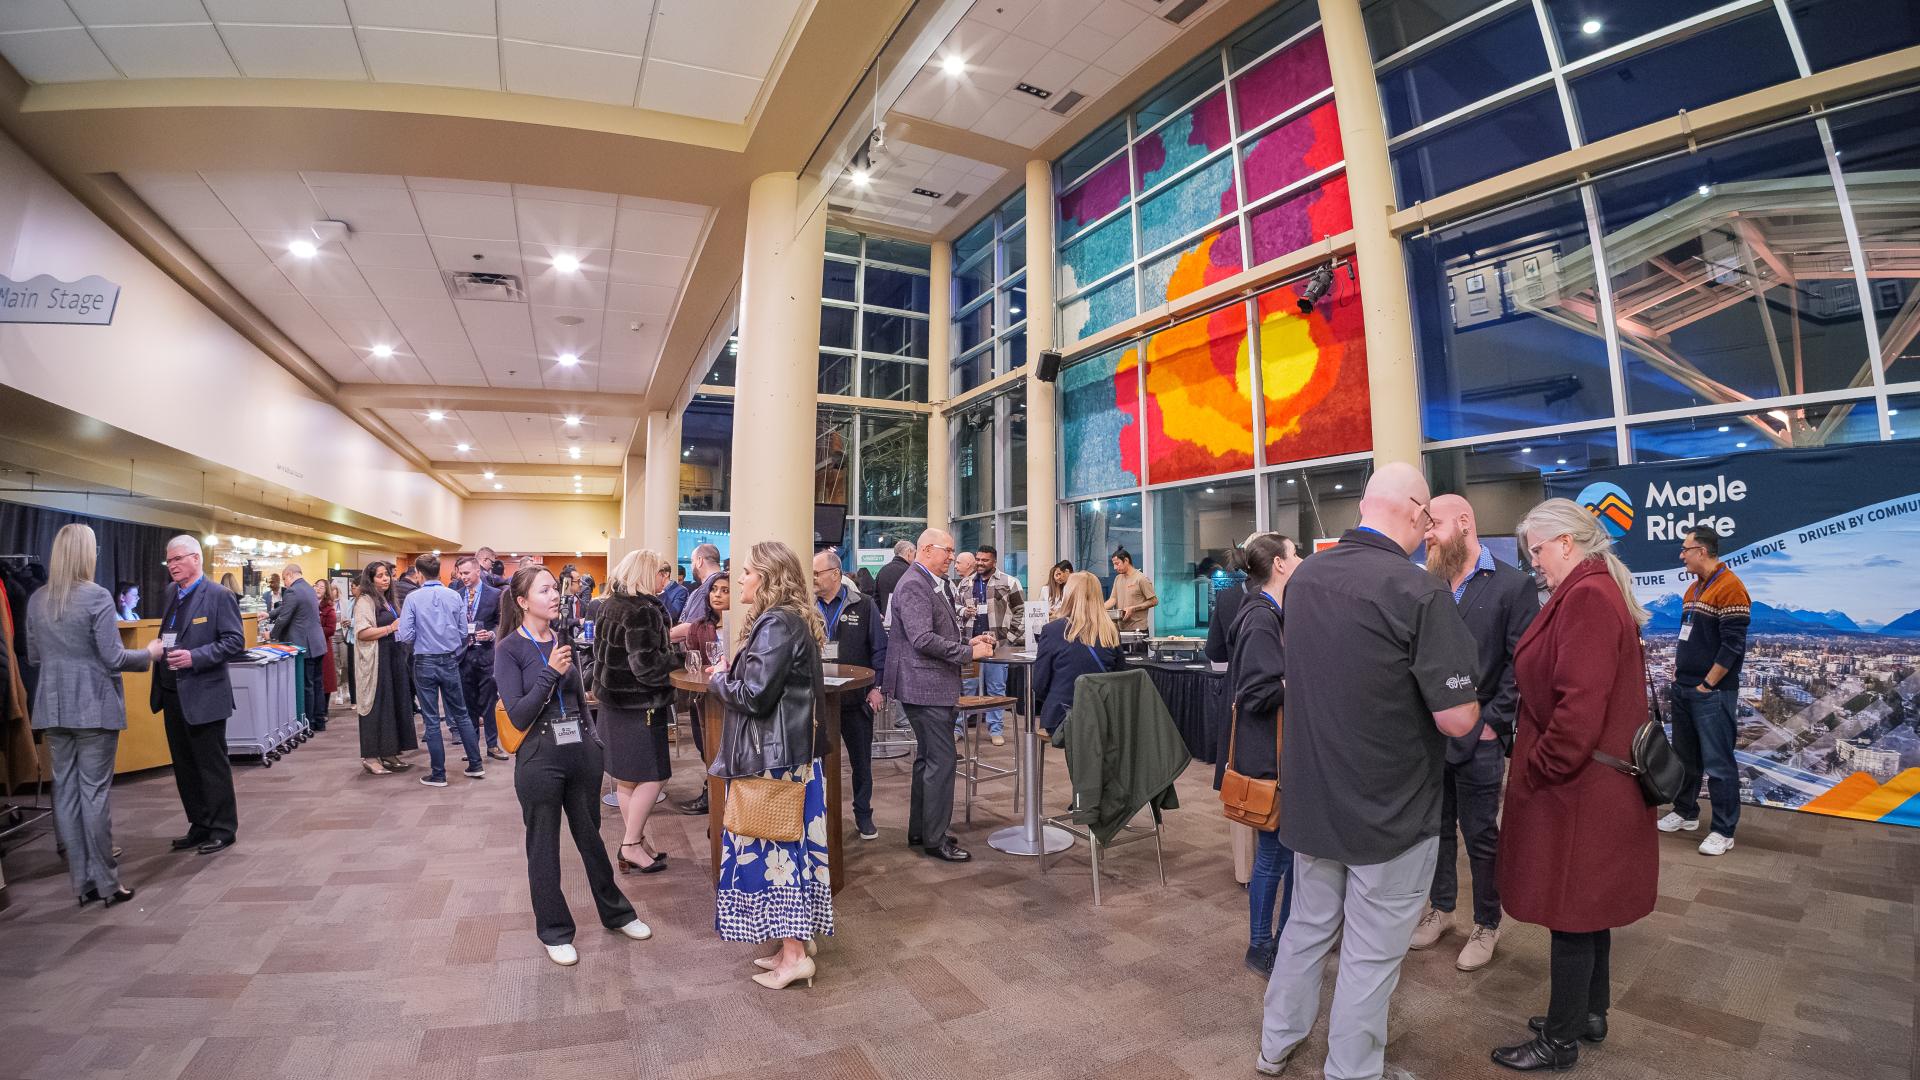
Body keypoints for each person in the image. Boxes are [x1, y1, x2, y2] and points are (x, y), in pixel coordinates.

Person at [1255, 463, 1482, 1079]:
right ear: (1415, 513)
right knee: (1371, 953)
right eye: (1429, 519)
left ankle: (1275, 1046)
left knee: (1305, 928)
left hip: (1314, 797)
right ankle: (1352, 1070)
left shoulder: (1303, 580)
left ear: (1364, 504)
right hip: (1390, 809)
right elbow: (1459, 719)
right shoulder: (1420, 592)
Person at [1491, 498, 1658, 1072]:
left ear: (1566, 542)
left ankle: (1559, 1041)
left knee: (1570, 910)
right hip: (1596, 785)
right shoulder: (1596, 588)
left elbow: (1577, 712)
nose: (1534, 563)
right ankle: (1588, 1013)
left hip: (1579, 787)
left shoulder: (1585, 596)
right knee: (1590, 907)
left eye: (1537, 550)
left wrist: (1538, 768)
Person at [494, 565, 652, 966]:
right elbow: (518, 714)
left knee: (592, 841)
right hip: (538, 757)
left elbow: (579, 699)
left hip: (580, 752)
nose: (555, 596)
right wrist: (551, 671)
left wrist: (595, 743)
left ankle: (617, 914)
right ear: (523, 601)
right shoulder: (509, 650)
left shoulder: (562, 637)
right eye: (545, 590)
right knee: (543, 847)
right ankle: (554, 930)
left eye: (555, 590)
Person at [1409, 494, 1540, 972]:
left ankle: (1487, 922)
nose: (1427, 533)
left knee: (1482, 835)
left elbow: (1519, 666)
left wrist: (1492, 725)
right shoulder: (1427, 584)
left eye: (1434, 524)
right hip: (1430, 738)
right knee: (1436, 831)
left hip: (1481, 737)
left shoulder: (1512, 585)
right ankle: (1441, 910)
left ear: (1465, 523)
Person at [707, 540, 833, 988]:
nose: (738, 579)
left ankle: (795, 956)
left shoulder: (777, 623)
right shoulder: (785, 620)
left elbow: (755, 697)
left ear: (765, 577)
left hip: (775, 763)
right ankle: (792, 943)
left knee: (778, 855)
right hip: (786, 757)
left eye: (744, 571)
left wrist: (720, 679)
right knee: (789, 851)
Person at [27, 524, 163, 906]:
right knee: (95, 795)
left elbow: (35, 656)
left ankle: (82, 883)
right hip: (94, 709)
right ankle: (107, 883)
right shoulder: (96, 597)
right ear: (87, 553)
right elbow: (114, 657)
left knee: (66, 796)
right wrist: (149, 655)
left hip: (52, 709)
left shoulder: (38, 600)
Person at [884, 528, 995, 863]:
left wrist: (967, 644)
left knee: (928, 761)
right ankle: (935, 840)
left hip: (925, 685)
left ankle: (923, 831)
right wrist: (968, 655)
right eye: (947, 551)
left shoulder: (923, 580)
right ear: (927, 549)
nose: (952, 557)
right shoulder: (916, 583)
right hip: (925, 687)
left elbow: (931, 634)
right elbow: (922, 639)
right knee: (942, 762)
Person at [1225, 533, 1305, 978]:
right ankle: (1261, 945)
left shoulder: (1268, 612)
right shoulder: (1260, 618)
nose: (1301, 559)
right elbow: (1256, 693)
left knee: (1284, 854)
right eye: (1295, 553)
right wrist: (1300, 683)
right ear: (1278, 564)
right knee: (1274, 856)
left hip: (1275, 755)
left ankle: (1284, 938)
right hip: (1270, 759)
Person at [150, 535, 247, 856]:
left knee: (210, 764)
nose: (172, 566)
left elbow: (235, 642)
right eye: (169, 561)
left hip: (204, 692)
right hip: (171, 691)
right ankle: (200, 823)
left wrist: (195, 656)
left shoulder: (218, 596)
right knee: (185, 765)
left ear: (196, 559)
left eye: (178, 559)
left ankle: (223, 827)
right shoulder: (170, 594)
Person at [1660, 524, 1749, 856]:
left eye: (1685, 549)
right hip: (1685, 688)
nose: (1681, 555)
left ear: (1702, 551)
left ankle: (1724, 830)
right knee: (1685, 759)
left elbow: (1732, 648)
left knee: (1719, 763)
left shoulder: (1731, 588)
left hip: (1711, 692)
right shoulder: (1693, 589)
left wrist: (1707, 684)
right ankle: (1685, 812)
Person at [593, 549, 678, 874]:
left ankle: (637, 840)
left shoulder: (609, 605)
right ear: (647, 574)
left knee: (628, 778)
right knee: (654, 775)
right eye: (661, 573)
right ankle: (630, 844)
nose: (664, 579)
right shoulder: (643, 610)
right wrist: (677, 660)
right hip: (639, 703)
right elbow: (645, 667)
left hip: (613, 705)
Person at [812, 549, 887, 840]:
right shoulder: (807, 606)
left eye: (817, 573)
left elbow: (880, 649)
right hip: (820, 701)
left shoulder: (864, 606)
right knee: (819, 763)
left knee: (861, 763)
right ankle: (821, 817)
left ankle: (863, 814)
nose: (813, 579)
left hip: (857, 700)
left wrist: (878, 688)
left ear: (835, 574)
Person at [394, 552, 485, 787]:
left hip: (424, 661)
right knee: (462, 714)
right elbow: (464, 631)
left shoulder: (413, 598)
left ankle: (438, 774)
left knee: (431, 719)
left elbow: (405, 634)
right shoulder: (454, 596)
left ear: (419, 574)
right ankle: (475, 765)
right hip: (449, 660)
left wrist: (420, 638)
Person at [1029, 570, 1122, 736]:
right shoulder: (1111, 631)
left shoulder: (1053, 630)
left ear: (1069, 595)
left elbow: (1039, 684)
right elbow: (1120, 677)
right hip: (1104, 717)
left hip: (1063, 718)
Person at [351, 562, 417, 775]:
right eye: (379, 576)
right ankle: (371, 757)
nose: (385, 579)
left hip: (393, 659)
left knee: (393, 706)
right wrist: (390, 628)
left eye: (386, 575)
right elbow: (362, 632)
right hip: (376, 662)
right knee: (376, 706)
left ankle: (389, 752)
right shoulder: (365, 601)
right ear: (370, 580)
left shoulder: (388, 600)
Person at [675, 572, 730, 816]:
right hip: (705, 698)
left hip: (735, 698)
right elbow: (693, 661)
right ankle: (712, 793)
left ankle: (726, 798)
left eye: (725, 590)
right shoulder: (699, 626)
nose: (717, 595)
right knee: (705, 747)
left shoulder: (743, 624)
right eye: (714, 589)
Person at [958, 545, 1024, 745]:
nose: (980, 563)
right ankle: (958, 728)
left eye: (984, 560)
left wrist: (1008, 640)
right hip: (971, 646)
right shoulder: (965, 583)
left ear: (994, 561)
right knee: (966, 688)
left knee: (996, 688)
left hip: (997, 647)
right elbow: (954, 608)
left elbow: (1021, 612)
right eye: (978, 559)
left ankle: (996, 730)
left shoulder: (1009, 582)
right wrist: (963, 612)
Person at [454, 556, 509, 761]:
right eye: (460, 573)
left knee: (489, 703)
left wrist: (492, 634)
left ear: (478, 571)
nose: (463, 577)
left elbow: (500, 622)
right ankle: (472, 748)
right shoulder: (456, 595)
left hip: (486, 655)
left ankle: (493, 745)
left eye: (466, 573)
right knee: (468, 705)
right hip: (463, 656)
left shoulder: (495, 595)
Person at [268, 563, 330, 734]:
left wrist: (271, 635)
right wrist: (269, 614)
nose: (285, 583)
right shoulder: (309, 588)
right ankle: (319, 720)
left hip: (305, 645)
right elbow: (285, 608)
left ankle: (307, 723)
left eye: (284, 579)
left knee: (307, 685)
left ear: (289, 575)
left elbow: (284, 617)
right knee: (317, 684)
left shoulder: (293, 591)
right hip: (317, 644)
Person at [1204, 534, 1262, 664]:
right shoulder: (1286, 596)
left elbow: (1215, 652)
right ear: (1277, 561)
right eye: (1293, 554)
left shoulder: (1226, 596)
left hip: (1236, 681)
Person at [672, 543, 725, 641]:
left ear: (700, 561)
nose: (692, 566)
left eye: (692, 561)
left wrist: (663, 636)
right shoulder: (724, 583)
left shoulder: (707, 588)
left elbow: (692, 626)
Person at [1105, 548, 1157, 633]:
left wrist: (1133, 608)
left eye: (1117, 564)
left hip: (1138, 630)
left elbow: (1154, 601)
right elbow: (1113, 599)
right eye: (1114, 564)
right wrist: (1099, 609)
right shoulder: (1118, 578)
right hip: (1121, 628)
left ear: (1126, 560)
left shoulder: (1141, 578)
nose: (1115, 567)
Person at [873, 538, 916, 621]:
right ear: (908, 552)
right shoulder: (910, 572)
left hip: (886, 623)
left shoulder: (882, 571)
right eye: (914, 554)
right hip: (905, 623)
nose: (915, 559)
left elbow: (875, 598)